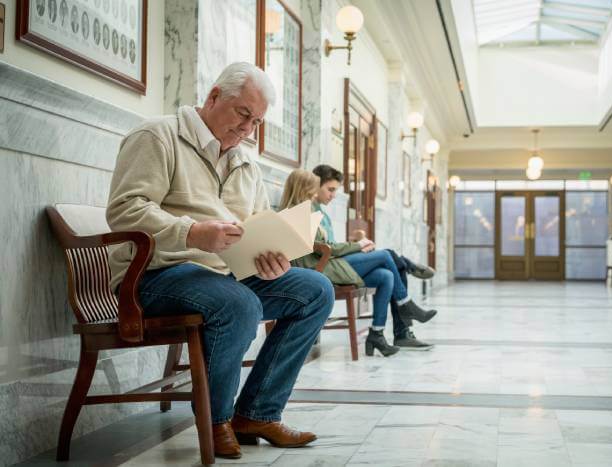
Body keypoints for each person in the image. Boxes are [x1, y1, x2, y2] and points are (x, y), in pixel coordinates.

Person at [106, 62, 334, 459]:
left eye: (256, 122)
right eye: (243, 114)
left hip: (223, 275)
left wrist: (270, 257)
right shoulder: (157, 136)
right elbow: (125, 210)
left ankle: (257, 413)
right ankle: (215, 419)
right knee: (238, 303)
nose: (247, 129)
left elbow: (257, 224)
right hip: (156, 275)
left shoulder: (246, 163)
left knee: (315, 289)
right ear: (213, 97)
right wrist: (191, 232)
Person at [280, 170, 437, 357]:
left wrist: (356, 245)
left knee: (386, 276)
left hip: (329, 263)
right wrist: (357, 245)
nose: (315, 194)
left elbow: (327, 246)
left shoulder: (308, 211)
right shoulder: (299, 214)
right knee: (386, 256)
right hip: (321, 269)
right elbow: (326, 248)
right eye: (312, 190)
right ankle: (405, 303)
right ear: (302, 189)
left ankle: (377, 334)